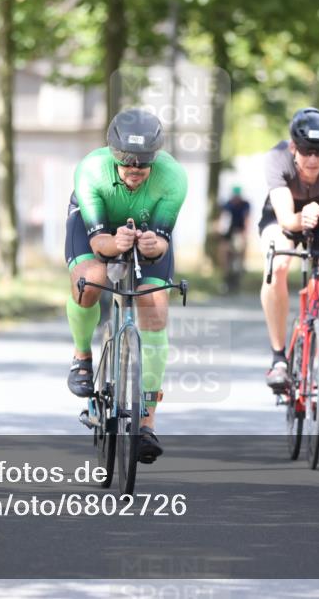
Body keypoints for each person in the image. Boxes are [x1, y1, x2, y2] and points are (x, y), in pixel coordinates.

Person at [64, 108, 188, 463]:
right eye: (127, 163)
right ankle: (81, 356)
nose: (135, 170)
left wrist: (154, 245)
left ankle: (146, 422)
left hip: (147, 231)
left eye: (143, 164)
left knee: (155, 310)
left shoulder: (173, 178)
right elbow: (100, 242)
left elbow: (162, 242)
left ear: (155, 159)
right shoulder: (91, 170)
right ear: (114, 156)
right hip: (97, 230)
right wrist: (114, 244)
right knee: (93, 282)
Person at [259, 107, 319, 424]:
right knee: (279, 265)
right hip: (286, 219)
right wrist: (305, 216)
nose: (313, 160)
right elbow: (286, 218)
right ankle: (279, 359)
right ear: (293, 148)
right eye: (305, 152)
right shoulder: (277, 158)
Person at [218, 186, 251, 293]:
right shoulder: (227, 205)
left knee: (241, 248)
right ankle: (225, 274)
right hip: (228, 233)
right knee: (224, 252)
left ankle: (241, 266)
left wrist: (245, 234)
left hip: (239, 232)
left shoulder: (245, 205)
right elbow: (223, 220)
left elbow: (247, 219)